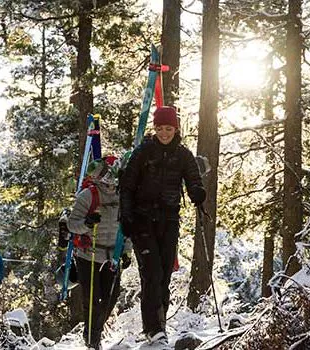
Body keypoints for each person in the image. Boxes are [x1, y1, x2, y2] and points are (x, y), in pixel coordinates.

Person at [119, 106, 206, 345]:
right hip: (142, 219)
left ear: (175, 129)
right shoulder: (143, 152)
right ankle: (152, 328)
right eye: (160, 128)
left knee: (164, 275)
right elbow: (126, 185)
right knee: (152, 272)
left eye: (168, 129)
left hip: (169, 220)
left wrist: (198, 193)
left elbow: (193, 179)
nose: (164, 133)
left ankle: (160, 327)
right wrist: (126, 216)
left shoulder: (183, 155)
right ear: (154, 129)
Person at [67, 156, 132, 350]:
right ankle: (92, 340)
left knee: (110, 298)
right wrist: (87, 224)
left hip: (113, 255)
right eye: (104, 174)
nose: (108, 178)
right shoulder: (88, 195)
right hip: (89, 255)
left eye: (111, 173)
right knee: (92, 299)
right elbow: (72, 224)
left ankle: (95, 332)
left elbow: (127, 227)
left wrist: (127, 252)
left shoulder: (124, 197)